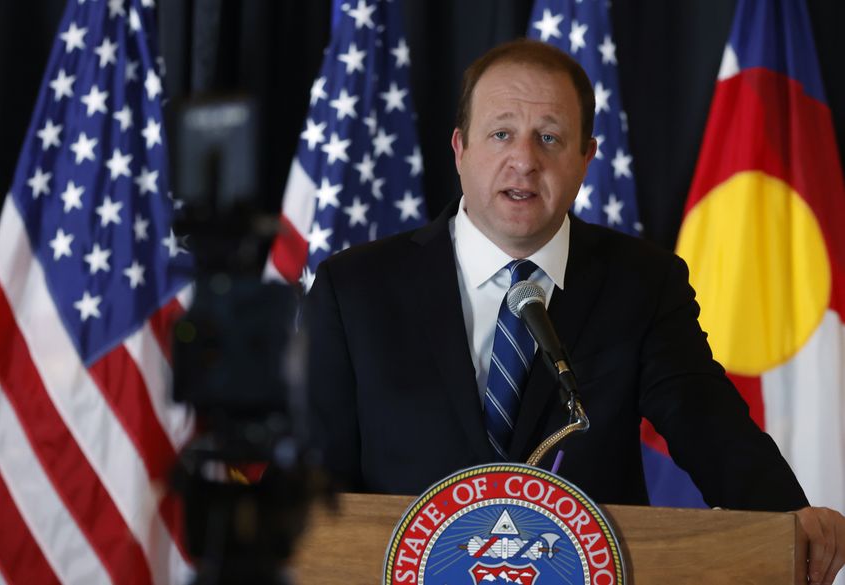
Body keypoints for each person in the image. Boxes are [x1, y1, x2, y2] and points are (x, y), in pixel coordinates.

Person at [304, 39, 845, 584]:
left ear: (586, 157)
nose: (524, 160)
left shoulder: (641, 283)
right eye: (500, 134)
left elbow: (706, 423)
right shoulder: (354, 289)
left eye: (549, 138)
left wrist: (787, 517)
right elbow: (314, 480)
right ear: (459, 147)